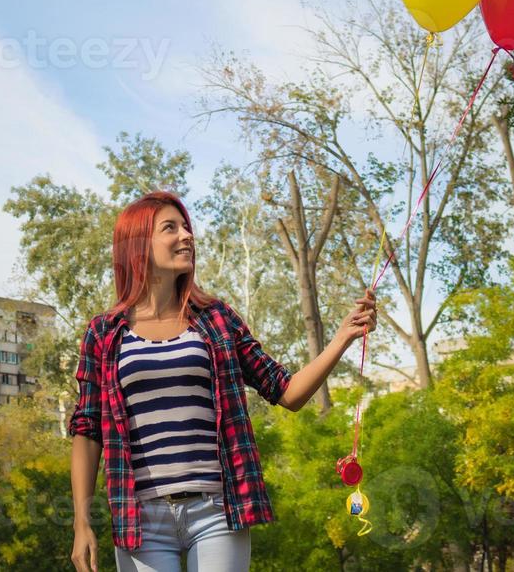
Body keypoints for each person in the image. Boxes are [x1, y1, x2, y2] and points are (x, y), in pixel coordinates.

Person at [68, 190, 378, 572]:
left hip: (216, 511)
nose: (186, 236)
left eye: (186, 227)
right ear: (137, 246)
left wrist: (343, 336)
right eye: (170, 228)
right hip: (141, 520)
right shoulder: (104, 332)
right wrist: (82, 521)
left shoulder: (216, 319)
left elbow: (288, 391)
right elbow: (87, 429)